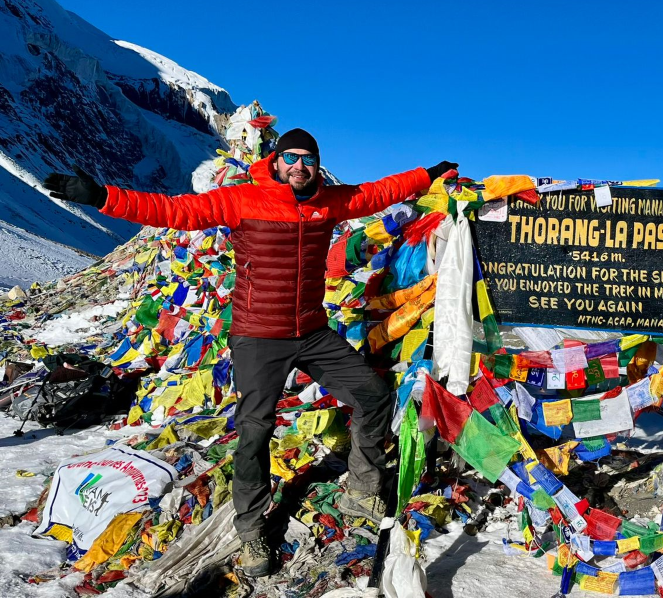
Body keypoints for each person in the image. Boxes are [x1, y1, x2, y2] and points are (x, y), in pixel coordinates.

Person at [43, 128, 457, 577]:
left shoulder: (329, 201)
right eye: (291, 157)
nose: (300, 166)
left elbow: (379, 192)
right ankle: (252, 530)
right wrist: (103, 196)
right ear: (276, 161)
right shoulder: (241, 199)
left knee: (372, 395)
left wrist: (428, 175)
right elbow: (171, 211)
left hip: (313, 331)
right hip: (259, 335)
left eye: (309, 159)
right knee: (255, 431)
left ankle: (362, 486)